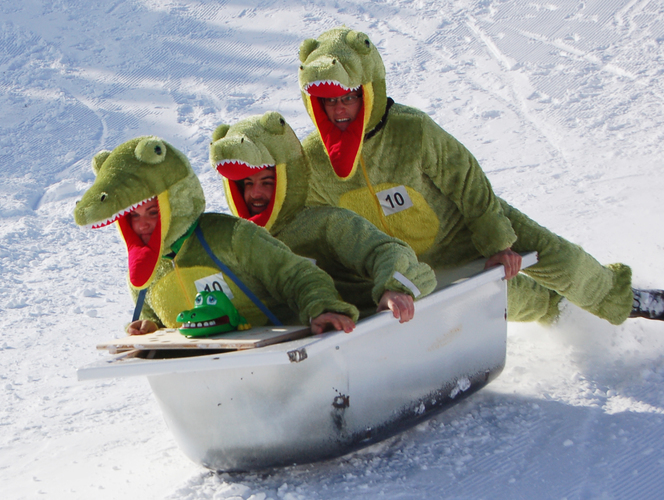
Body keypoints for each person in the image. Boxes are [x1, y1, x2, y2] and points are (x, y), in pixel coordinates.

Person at [295, 26, 664, 324]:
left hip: (467, 225)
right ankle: (565, 317)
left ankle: (625, 300)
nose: (339, 110)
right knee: (505, 299)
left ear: (368, 91)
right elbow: (309, 225)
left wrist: (498, 242)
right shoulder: (314, 159)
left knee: (560, 260)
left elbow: (466, 180)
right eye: (329, 101)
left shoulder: (411, 130)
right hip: (416, 265)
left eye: (348, 97)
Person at [73, 135, 361, 336]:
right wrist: (150, 326)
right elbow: (152, 315)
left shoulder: (230, 236)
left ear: (173, 203)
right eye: (134, 216)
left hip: (284, 358)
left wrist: (320, 308)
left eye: (153, 211)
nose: (144, 225)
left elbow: (297, 274)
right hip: (214, 378)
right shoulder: (144, 273)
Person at [209, 111, 436, 321]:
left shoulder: (326, 224)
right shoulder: (238, 243)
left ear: (286, 179)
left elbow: (386, 250)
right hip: (287, 341)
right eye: (247, 184)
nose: (255, 194)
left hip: (361, 329)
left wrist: (394, 288)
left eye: (266, 182)